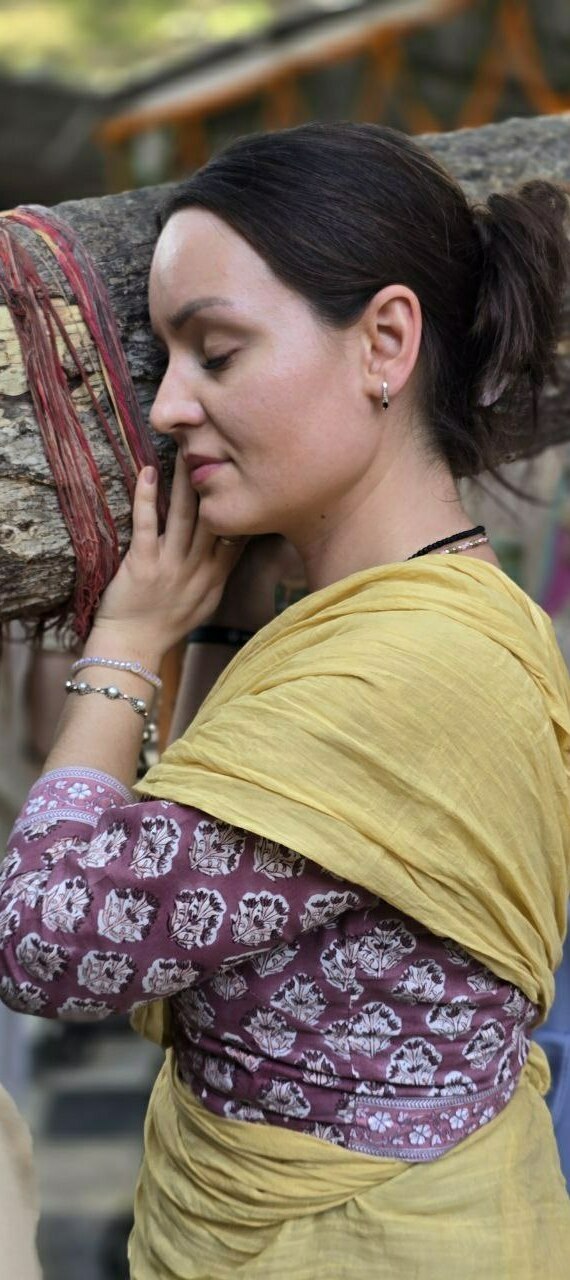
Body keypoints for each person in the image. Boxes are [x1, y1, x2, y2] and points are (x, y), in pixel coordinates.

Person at [1, 122, 569, 1279]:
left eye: (217, 352)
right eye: (163, 362)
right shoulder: (386, 616)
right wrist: (215, 622)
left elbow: (47, 939)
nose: (170, 407)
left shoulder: (407, 668)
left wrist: (128, 642)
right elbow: (195, 862)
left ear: (385, 343)